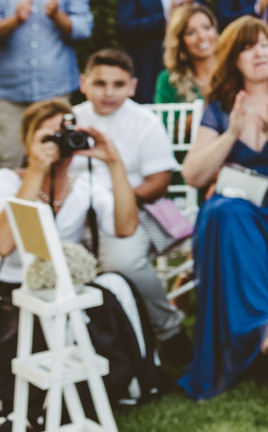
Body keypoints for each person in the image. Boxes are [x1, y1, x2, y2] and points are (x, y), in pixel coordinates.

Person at [177, 17, 268, 401]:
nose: (259, 52)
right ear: (233, 58)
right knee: (222, 211)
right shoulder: (221, 104)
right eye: (247, 47)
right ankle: (265, 325)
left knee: (222, 214)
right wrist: (230, 132)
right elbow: (193, 174)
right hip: (238, 200)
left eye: (264, 44)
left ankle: (257, 326)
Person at [70, 49, 189, 360]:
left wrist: (116, 202)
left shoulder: (144, 122)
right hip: (74, 214)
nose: (109, 93)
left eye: (119, 84)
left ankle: (168, 327)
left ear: (133, 86)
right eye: (100, 83)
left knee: (123, 262)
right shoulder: (71, 119)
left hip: (134, 212)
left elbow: (159, 182)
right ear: (83, 83)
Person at [0, 100, 136, 287]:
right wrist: (36, 171)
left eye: (63, 137)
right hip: (9, 287)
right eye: (50, 138)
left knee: (117, 286)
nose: (57, 146)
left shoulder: (84, 187)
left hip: (63, 287)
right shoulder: (4, 181)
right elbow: (2, 245)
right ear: (26, 143)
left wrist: (114, 163)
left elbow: (126, 228)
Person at [0, 0, 93, 169]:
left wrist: (57, 16)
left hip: (54, 90)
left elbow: (84, 29)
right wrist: (16, 20)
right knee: (8, 160)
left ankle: (54, 207)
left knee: (58, 157)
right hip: (10, 93)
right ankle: (8, 208)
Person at [115, 0, 206, 103]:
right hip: (146, 72)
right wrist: (167, 16)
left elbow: (206, 31)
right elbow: (124, 28)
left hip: (186, 73)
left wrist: (193, 9)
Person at [154, 4, 218, 104]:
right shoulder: (169, 80)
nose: (202, 36)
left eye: (206, 28)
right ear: (179, 41)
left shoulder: (234, 70)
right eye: (191, 32)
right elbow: (163, 119)